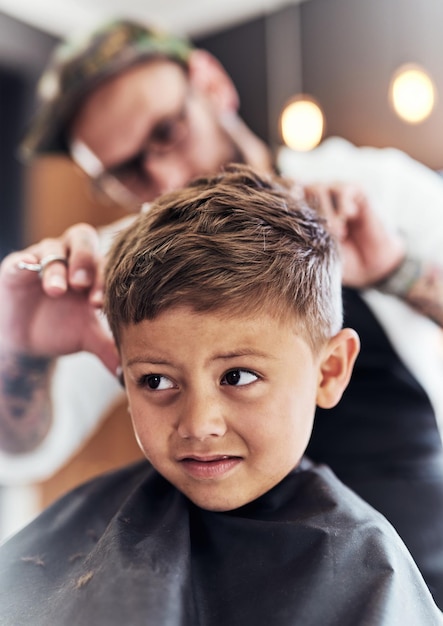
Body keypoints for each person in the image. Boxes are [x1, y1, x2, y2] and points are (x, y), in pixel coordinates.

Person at [2, 17, 443, 606]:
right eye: (123, 172)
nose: (159, 177)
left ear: (212, 84)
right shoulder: (118, 266)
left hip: (413, 564)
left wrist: (399, 270)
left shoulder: (373, 188)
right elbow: (25, 450)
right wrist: (23, 352)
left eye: (167, 132)